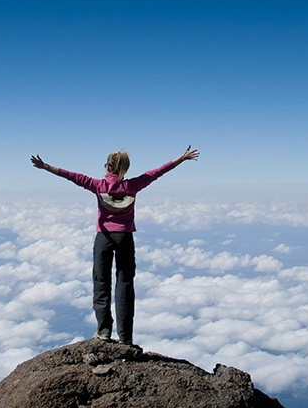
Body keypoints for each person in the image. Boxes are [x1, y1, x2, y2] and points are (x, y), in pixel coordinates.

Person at [30, 146, 199, 346]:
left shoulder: (97, 185)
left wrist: (45, 166)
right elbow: (158, 172)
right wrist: (181, 157)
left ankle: (104, 331)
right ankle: (125, 337)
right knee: (125, 285)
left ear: (107, 167)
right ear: (123, 169)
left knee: (101, 283)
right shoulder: (133, 186)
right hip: (125, 238)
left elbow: (71, 176)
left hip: (103, 238)